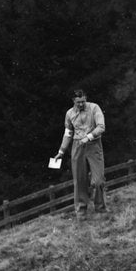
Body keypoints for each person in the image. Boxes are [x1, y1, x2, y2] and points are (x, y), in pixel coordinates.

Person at [54, 89, 107, 218]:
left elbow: (101, 126)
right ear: (73, 101)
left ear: (86, 98)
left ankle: (100, 208)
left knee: (98, 180)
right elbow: (68, 133)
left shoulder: (94, 108)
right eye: (78, 102)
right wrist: (61, 151)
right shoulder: (69, 113)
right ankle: (81, 211)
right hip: (77, 146)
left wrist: (88, 137)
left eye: (83, 101)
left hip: (93, 144)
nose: (81, 104)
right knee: (79, 180)